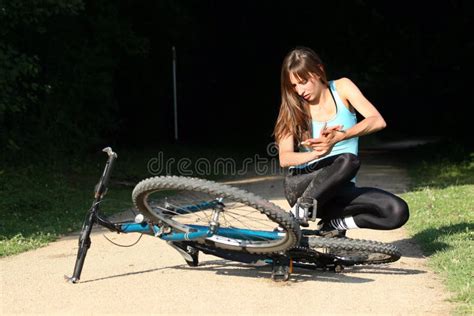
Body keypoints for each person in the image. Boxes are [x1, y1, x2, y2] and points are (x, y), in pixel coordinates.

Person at [273, 46, 409, 236]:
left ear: (319, 70)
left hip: (339, 192)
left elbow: (377, 120)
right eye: (294, 86)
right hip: (302, 188)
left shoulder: (342, 88)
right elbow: (284, 158)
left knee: (396, 211)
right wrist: (317, 153)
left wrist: (341, 136)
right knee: (348, 160)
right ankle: (295, 215)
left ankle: (336, 224)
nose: (299, 90)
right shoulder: (292, 107)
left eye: (303, 82)